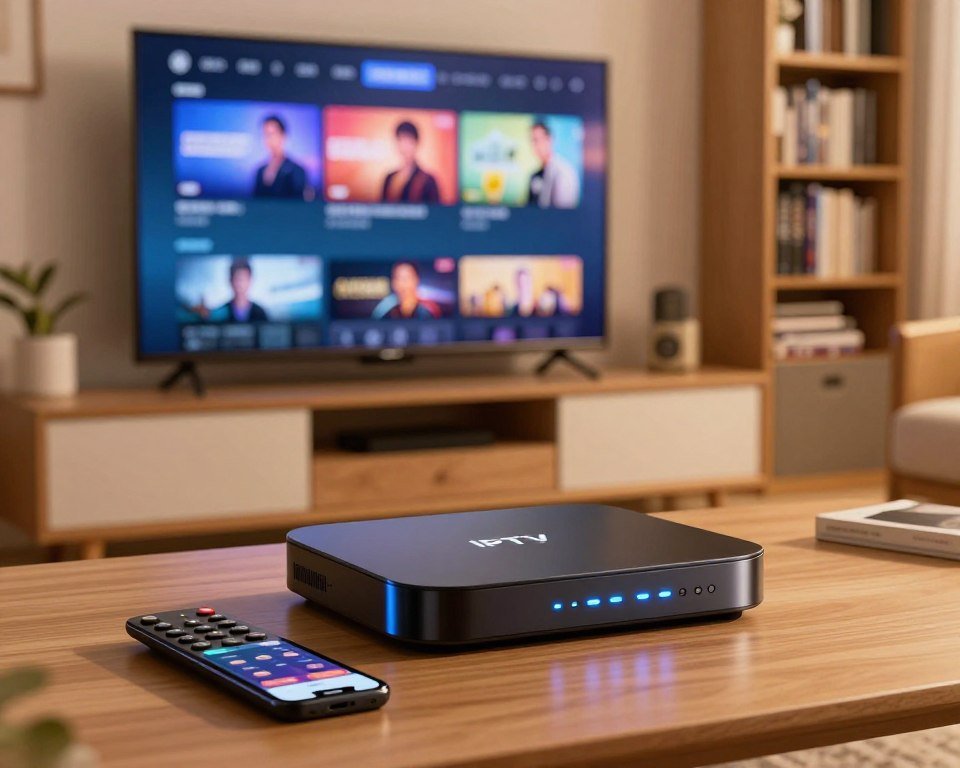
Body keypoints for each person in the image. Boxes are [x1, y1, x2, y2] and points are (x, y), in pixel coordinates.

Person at [381, 121, 441, 204]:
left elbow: (436, 212)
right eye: (401, 140)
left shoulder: (428, 181)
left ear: (416, 143)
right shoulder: (389, 178)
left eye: (409, 142)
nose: (405, 147)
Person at [527, 120, 580, 209]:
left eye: (537, 140)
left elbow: (563, 213)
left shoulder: (563, 172)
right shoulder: (535, 175)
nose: (535, 145)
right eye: (532, 141)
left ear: (549, 140)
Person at [253, 115, 309, 199]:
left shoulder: (297, 170)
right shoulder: (260, 171)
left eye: (271, 134)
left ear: (283, 136)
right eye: (265, 134)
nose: (268, 139)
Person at [371, 262, 442, 319]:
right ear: (393, 283)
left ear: (416, 280)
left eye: (406, 279)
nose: (402, 284)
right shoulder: (384, 312)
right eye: (398, 279)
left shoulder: (429, 311)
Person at [219, 258, 269, 322]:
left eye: (243, 280)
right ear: (230, 281)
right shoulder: (220, 313)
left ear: (250, 281)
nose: (240, 284)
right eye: (237, 279)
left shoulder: (260, 313)